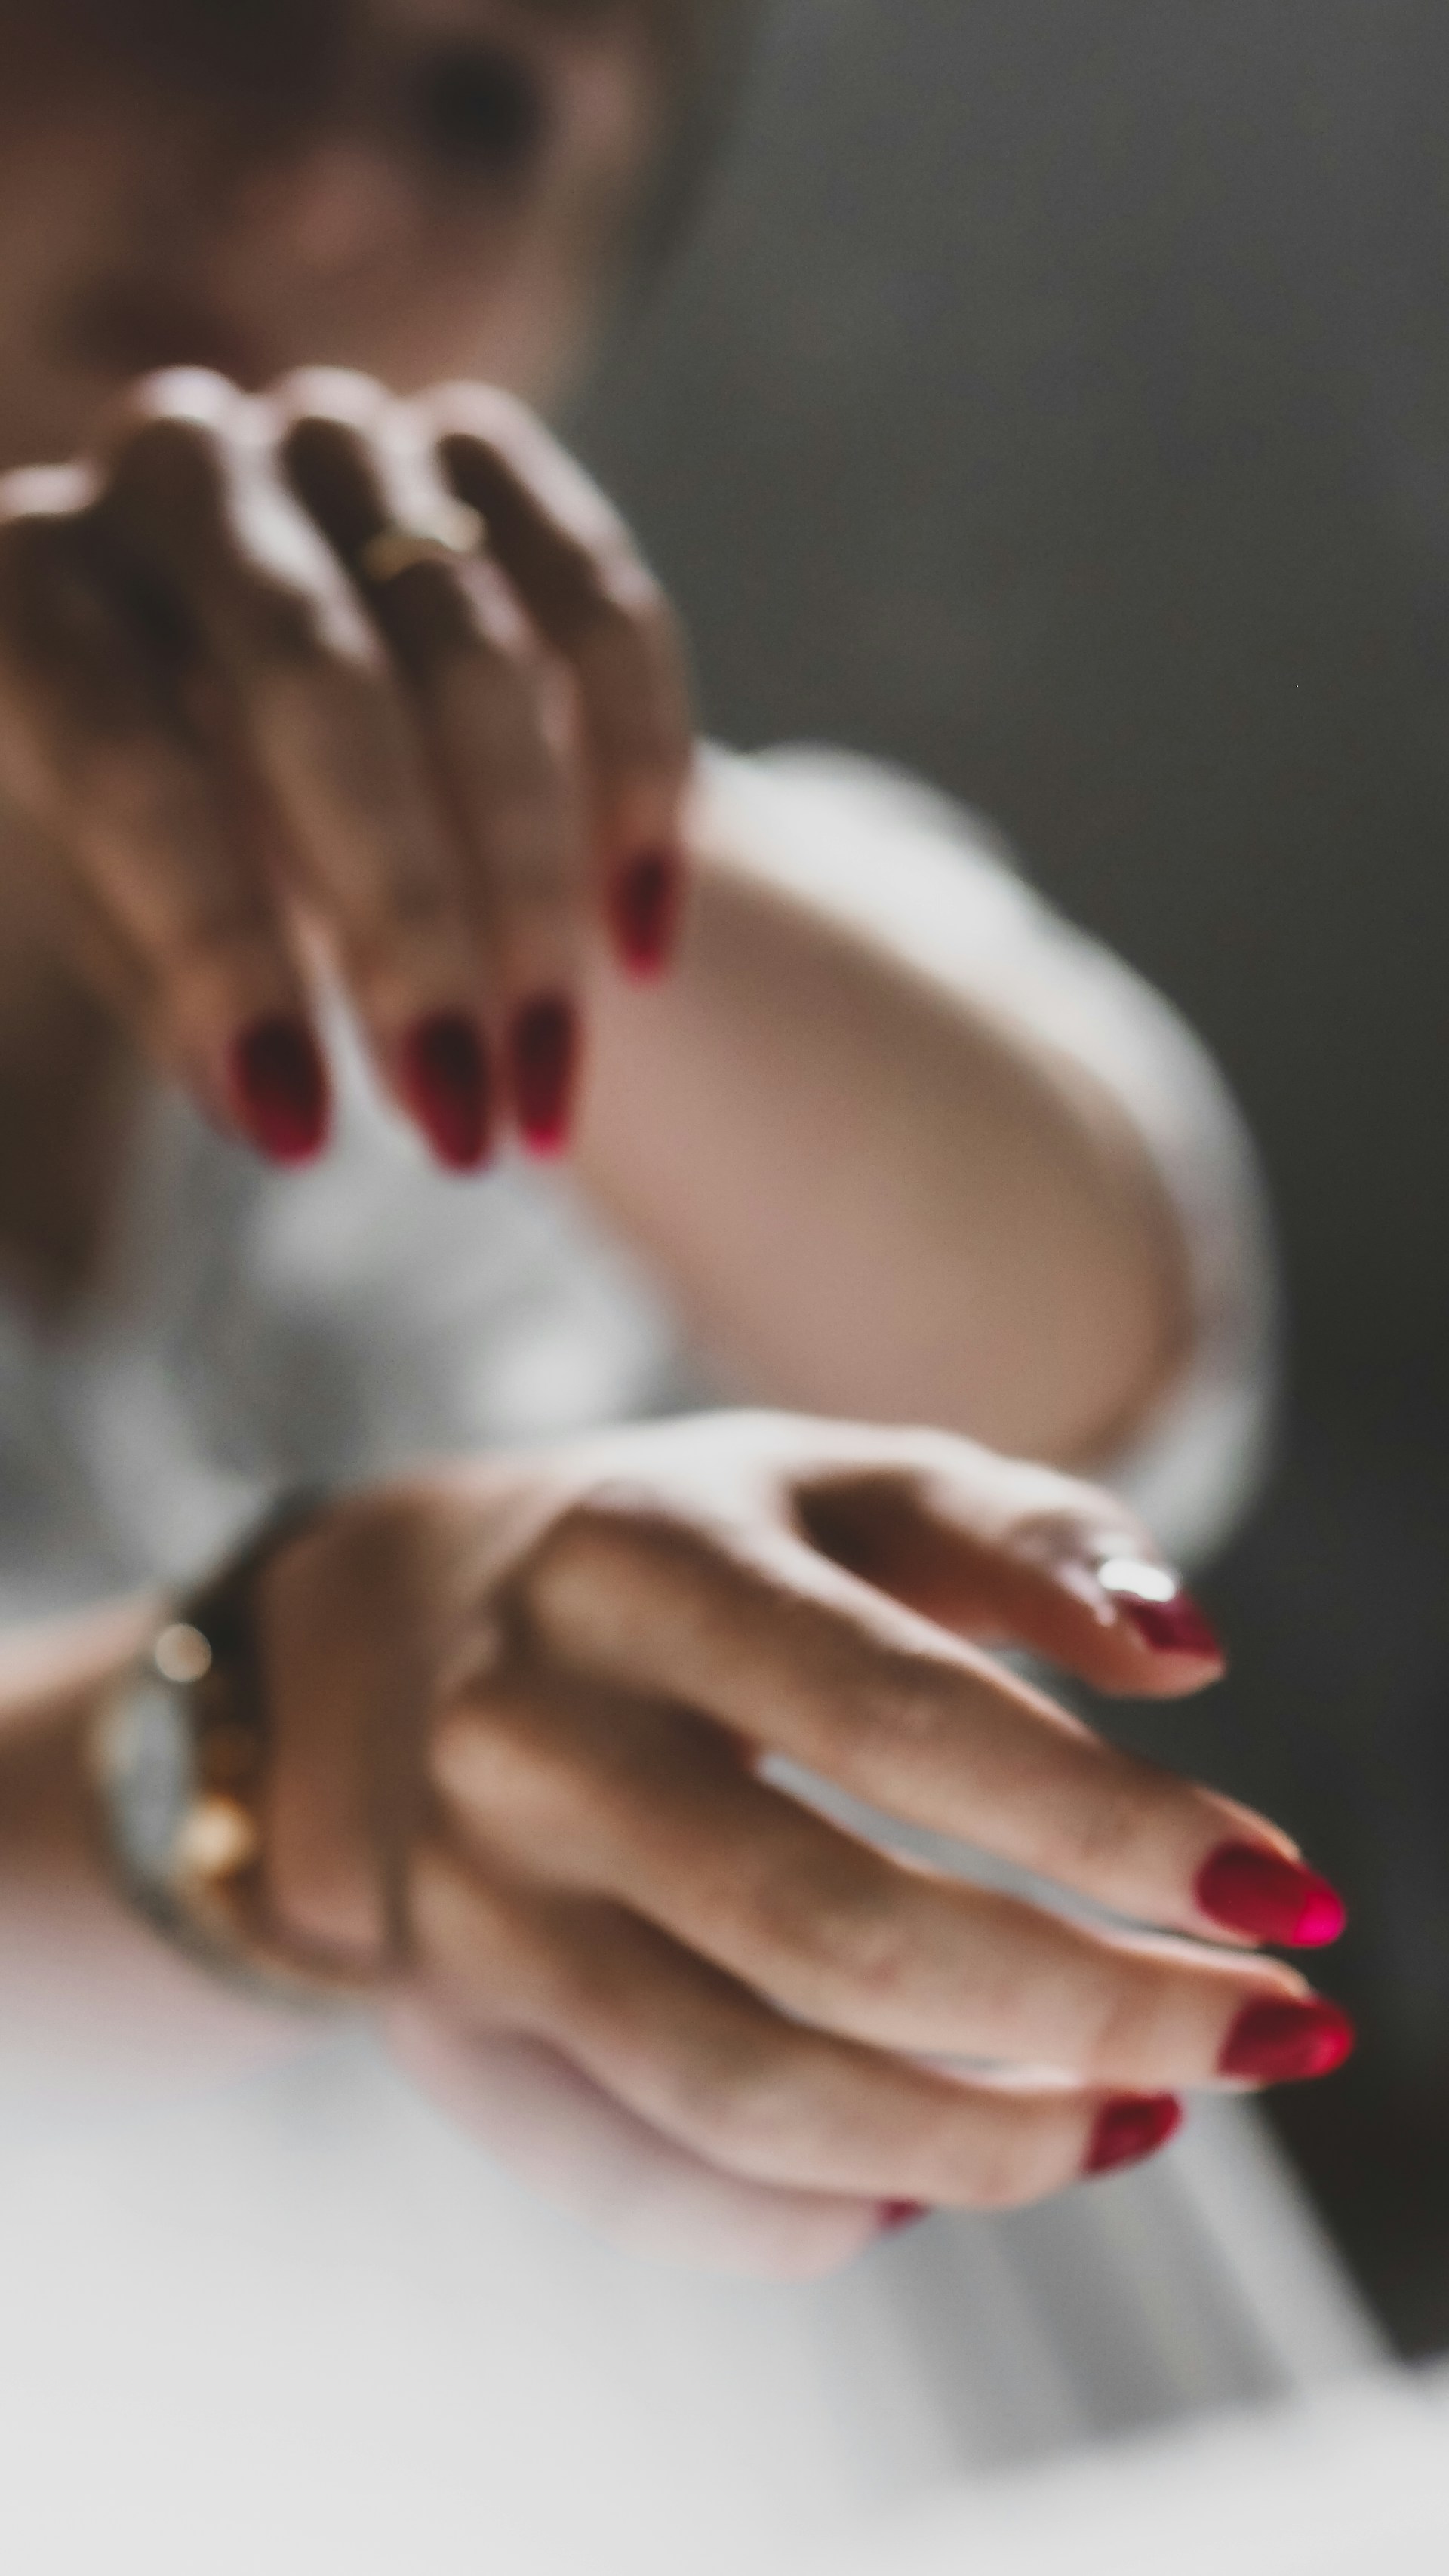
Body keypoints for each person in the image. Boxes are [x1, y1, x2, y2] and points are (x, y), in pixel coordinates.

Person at [0, 0, 1373, 2522]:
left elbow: (1106, 1352)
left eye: (487, 112)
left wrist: (492, 809)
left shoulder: (754, 923)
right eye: (221, 4)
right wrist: (286, 1738)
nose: (316, 182)